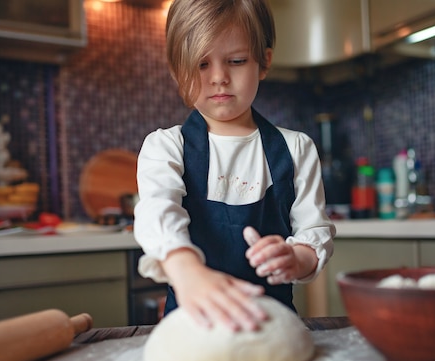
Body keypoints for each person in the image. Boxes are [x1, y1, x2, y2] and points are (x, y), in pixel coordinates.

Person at [134, 0, 336, 332]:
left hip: (273, 329)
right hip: (192, 330)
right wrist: (186, 270)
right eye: (201, 64)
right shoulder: (167, 147)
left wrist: (296, 259)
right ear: (177, 69)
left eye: (237, 61)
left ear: (264, 62)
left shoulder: (296, 149)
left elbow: (314, 232)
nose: (219, 78)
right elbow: (157, 211)